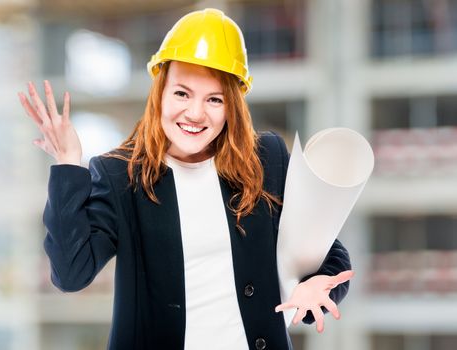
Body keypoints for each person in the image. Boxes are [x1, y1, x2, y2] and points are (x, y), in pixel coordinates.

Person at [18, 8, 353, 350]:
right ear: (160, 92)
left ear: (232, 106)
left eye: (214, 99)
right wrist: (68, 164)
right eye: (182, 93)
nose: (195, 113)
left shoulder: (265, 158)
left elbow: (326, 247)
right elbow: (71, 274)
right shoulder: (121, 174)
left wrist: (319, 282)